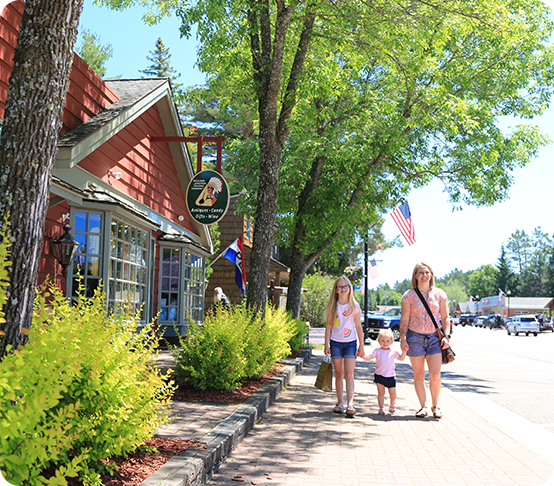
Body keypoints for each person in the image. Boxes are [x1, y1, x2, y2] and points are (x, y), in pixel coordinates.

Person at [399, 262, 451, 419]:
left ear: (431, 275)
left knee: (435, 375)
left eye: (427, 272)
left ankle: (435, 406)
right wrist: (403, 339)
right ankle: (423, 406)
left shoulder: (440, 294)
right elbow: (404, 319)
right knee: (419, 375)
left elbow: (445, 317)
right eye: (421, 272)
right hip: (414, 337)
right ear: (415, 276)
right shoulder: (408, 295)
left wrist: (447, 336)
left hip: (435, 338)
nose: (424, 275)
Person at [324, 276, 365, 417]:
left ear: (350, 288)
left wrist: (361, 345)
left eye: (345, 286)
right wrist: (326, 344)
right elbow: (329, 326)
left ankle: (350, 403)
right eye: (339, 287)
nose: (343, 289)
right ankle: (340, 403)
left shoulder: (354, 306)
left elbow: (359, 327)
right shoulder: (332, 306)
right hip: (335, 343)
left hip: (350, 343)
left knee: (349, 374)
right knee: (339, 373)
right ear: (335, 290)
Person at [359, 329, 406, 415]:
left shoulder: (393, 352)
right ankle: (381, 408)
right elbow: (369, 357)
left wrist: (404, 351)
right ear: (379, 341)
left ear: (391, 342)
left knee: (393, 393)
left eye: (387, 341)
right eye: (383, 340)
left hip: (391, 376)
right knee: (381, 393)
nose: (385, 343)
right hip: (379, 376)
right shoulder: (377, 351)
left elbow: (401, 358)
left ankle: (392, 404)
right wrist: (362, 356)